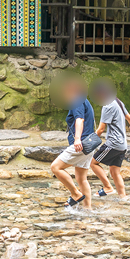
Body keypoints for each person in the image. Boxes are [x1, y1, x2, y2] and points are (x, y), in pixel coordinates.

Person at [50, 77, 96, 211]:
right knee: (82, 178)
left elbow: (80, 120)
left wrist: (77, 139)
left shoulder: (77, 100)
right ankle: (88, 210)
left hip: (81, 144)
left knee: (56, 167)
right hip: (90, 144)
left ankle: (75, 194)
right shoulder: (85, 101)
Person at [89, 80, 130, 200]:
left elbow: (100, 129)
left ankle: (107, 187)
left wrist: (89, 142)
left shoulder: (107, 105)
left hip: (113, 144)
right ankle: (123, 197)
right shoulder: (118, 101)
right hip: (122, 145)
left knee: (93, 163)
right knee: (115, 172)